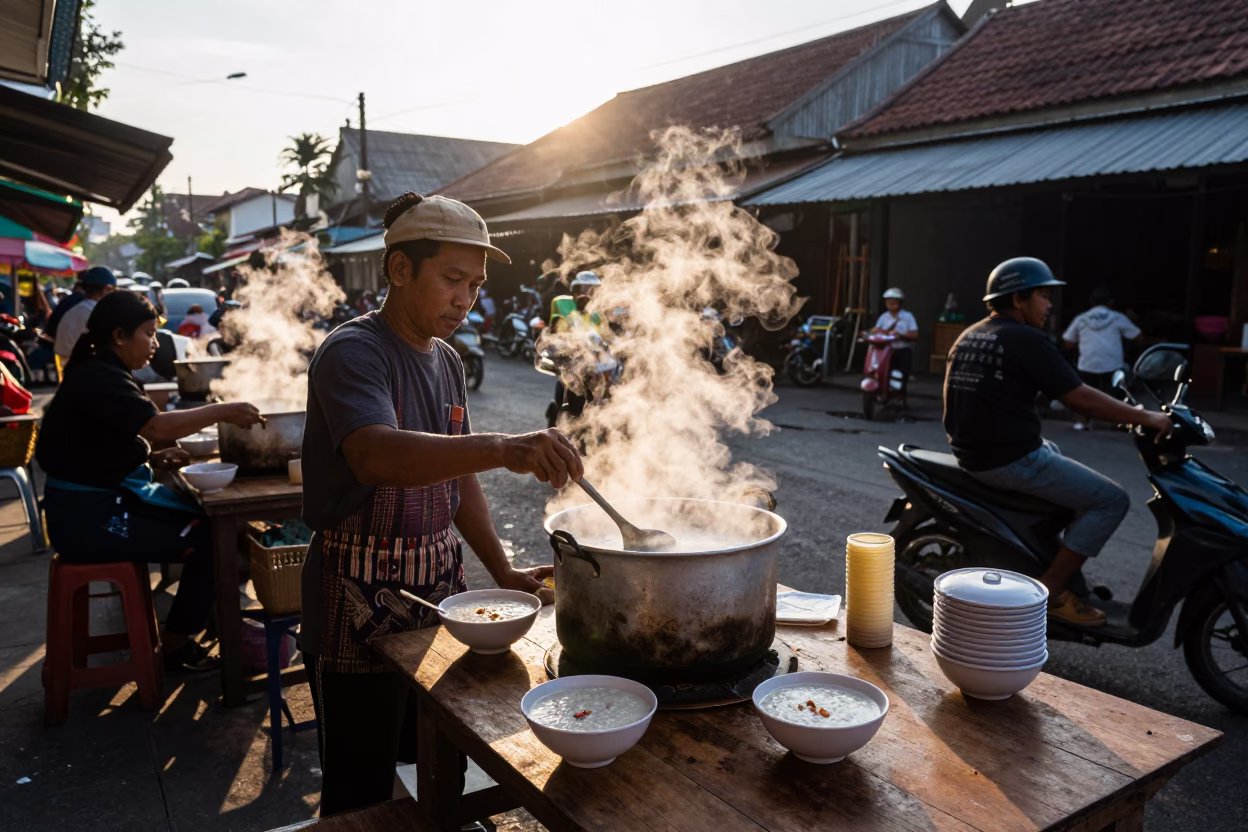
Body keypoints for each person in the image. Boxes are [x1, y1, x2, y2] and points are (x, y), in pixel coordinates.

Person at [300, 191, 583, 817]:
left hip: (436, 591)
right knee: (360, 788)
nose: (465, 299)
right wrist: (503, 445)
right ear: (400, 270)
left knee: (439, 755)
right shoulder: (355, 351)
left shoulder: (449, 361)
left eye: (475, 286)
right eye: (452, 280)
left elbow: (456, 476)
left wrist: (502, 570)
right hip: (357, 595)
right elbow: (376, 456)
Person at [35, 291, 264, 671]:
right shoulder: (99, 375)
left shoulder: (101, 369)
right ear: (119, 336)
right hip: (85, 520)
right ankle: (173, 648)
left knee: (211, 526)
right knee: (211, 540)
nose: (155, 344)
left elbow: (96, 445)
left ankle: (205, 624)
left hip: (82, 509)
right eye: (148, 333)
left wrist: (151, 457)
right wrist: (224, 410)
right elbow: (156, 426)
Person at [943, 257, 1171, 627]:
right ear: (1018, 300)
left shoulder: (971, 333)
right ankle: (1049, 590)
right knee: (1111, 499)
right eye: (1043, 296)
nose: (1049, 305)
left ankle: (1046, 556)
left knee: (1057, 455)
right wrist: (1146, 417)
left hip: (974, 453)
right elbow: (1078, 398)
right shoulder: (1025, 338)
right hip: (1007, 460)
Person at [1062, 286, 1140, 430]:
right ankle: (1117, 422)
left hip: (1087, 363)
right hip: (1113, 364)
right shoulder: (1118, 317)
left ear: (1091, 302)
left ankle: (1083, 423)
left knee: (1083, 396)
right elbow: (1137, 336)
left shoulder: (1081, 318)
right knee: (1115, 395)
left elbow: (1068, 342)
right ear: (1110, 302)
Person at [54, 267, 116, 369]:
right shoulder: (94, 312)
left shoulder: (77, 310)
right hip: (83, 369)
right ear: (106, 289)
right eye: (112, 290)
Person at [868, 287, 918, 382]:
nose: (890, 303)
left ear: (899, 302)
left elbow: (915, 335)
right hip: (885, 351)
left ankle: (900, 395)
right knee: (883, 374)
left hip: (903, 350)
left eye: (893, 301)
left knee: (901, 378)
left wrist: (901, 335)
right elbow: (876, 330)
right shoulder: (883, 317)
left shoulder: (908, 316)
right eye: (888, 301)